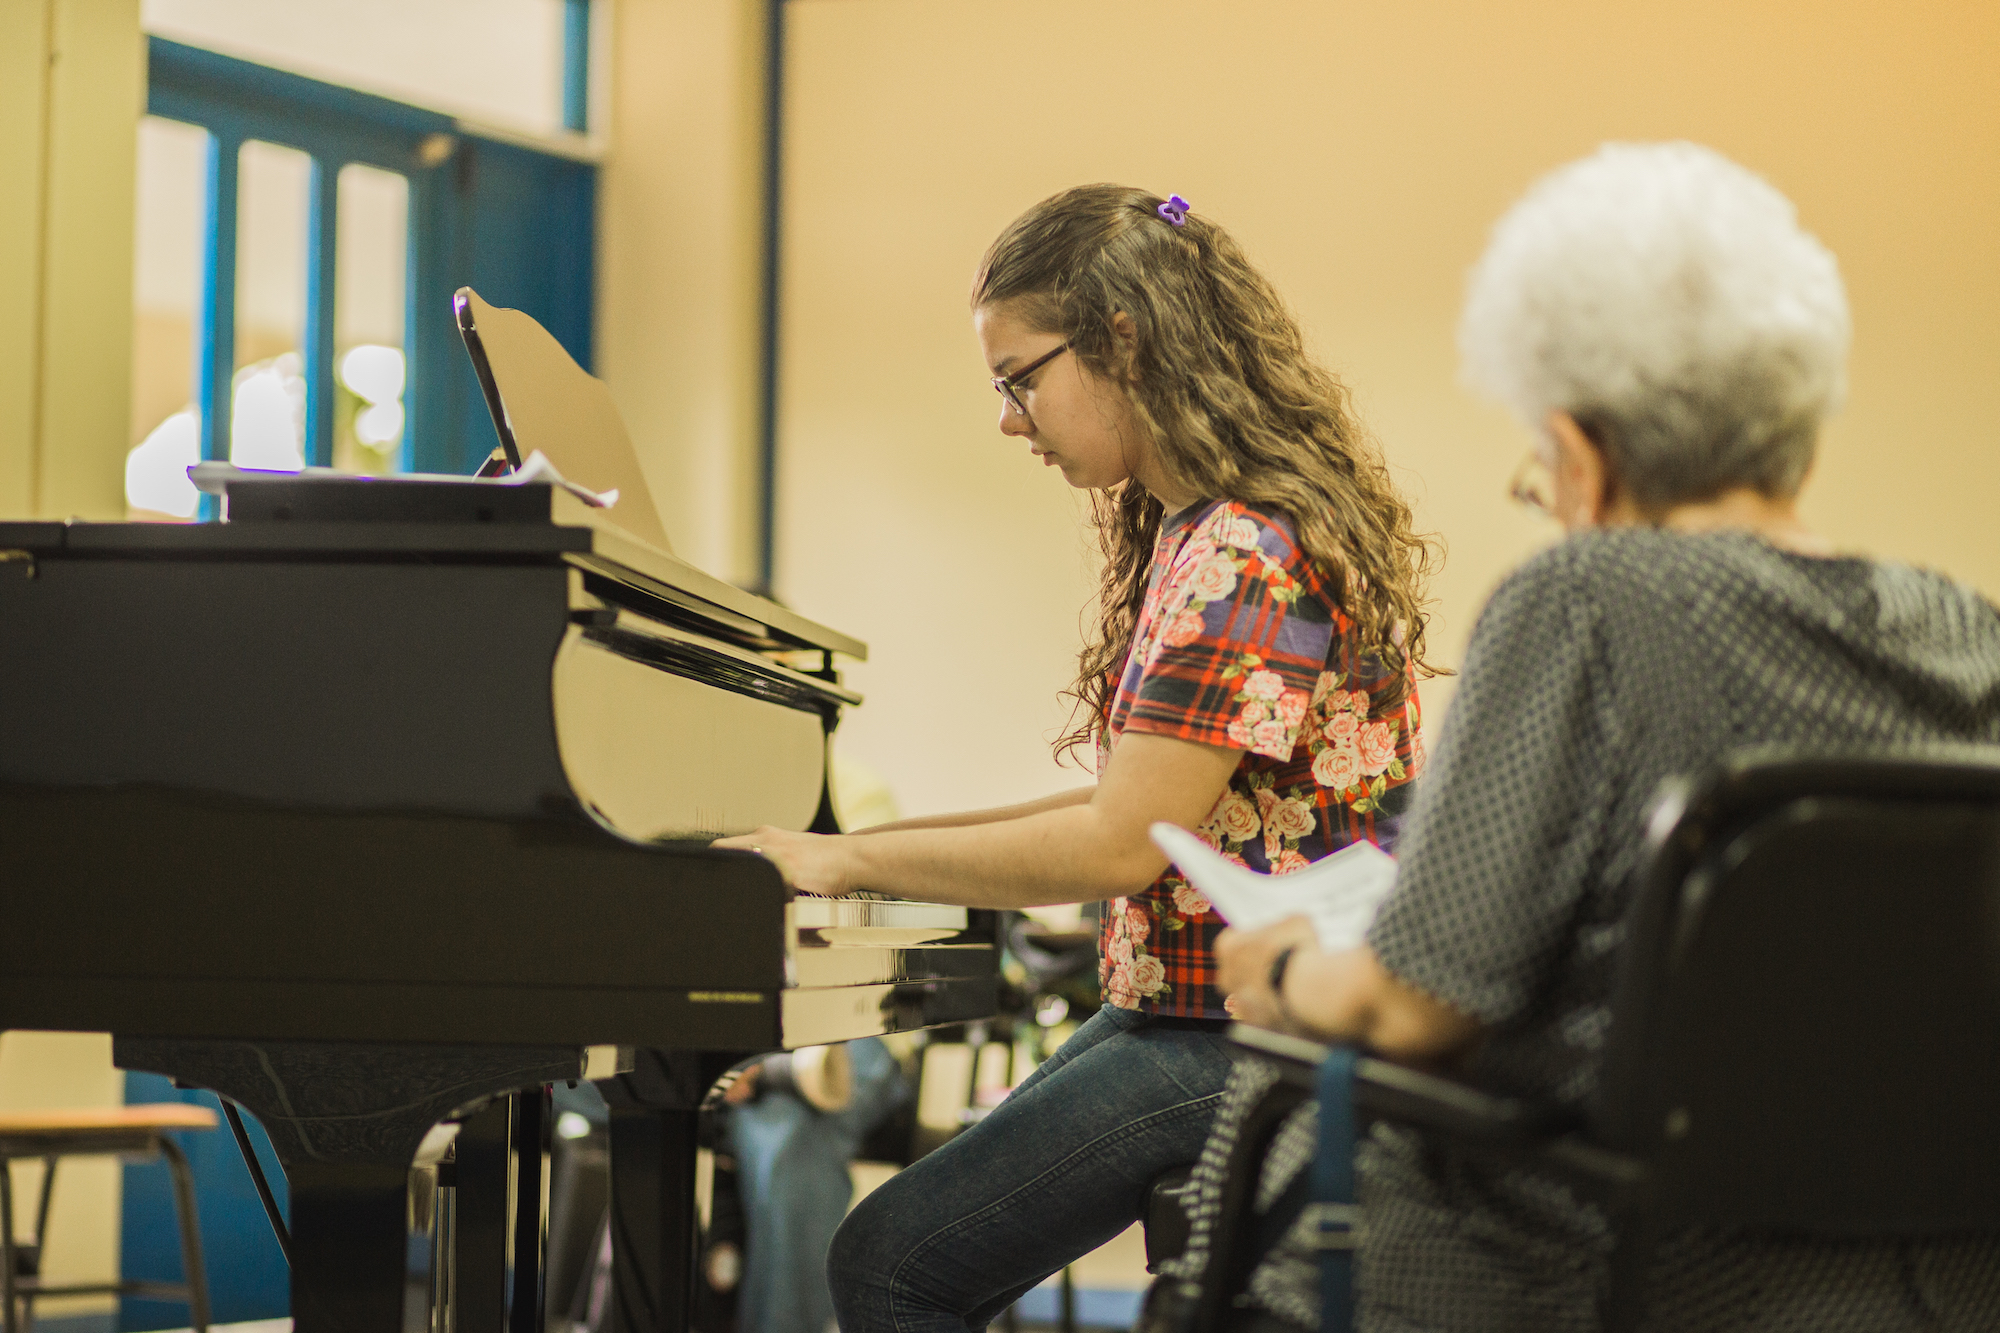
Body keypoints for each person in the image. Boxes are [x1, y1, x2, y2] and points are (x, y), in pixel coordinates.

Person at [1214, 142, 2000, 1331]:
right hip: (1930, 1281)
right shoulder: (1963, 625)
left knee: (1266, 1107)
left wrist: (1278, 967)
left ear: (1579, 454)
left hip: (1609, 1270)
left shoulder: (1585, 599)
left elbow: (1409, 1006)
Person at [713, 184, 1439, 1331]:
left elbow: (1112, 847)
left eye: (1018, 379)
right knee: (912, 1247)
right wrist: (847, 850)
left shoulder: (1242, 548)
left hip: (1244, 1034)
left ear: (1122, 341)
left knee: (889, 1263)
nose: (1009, 419)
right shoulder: (1208, 528)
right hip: (1194, 1011)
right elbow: (1140, 808)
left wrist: (846, 870)